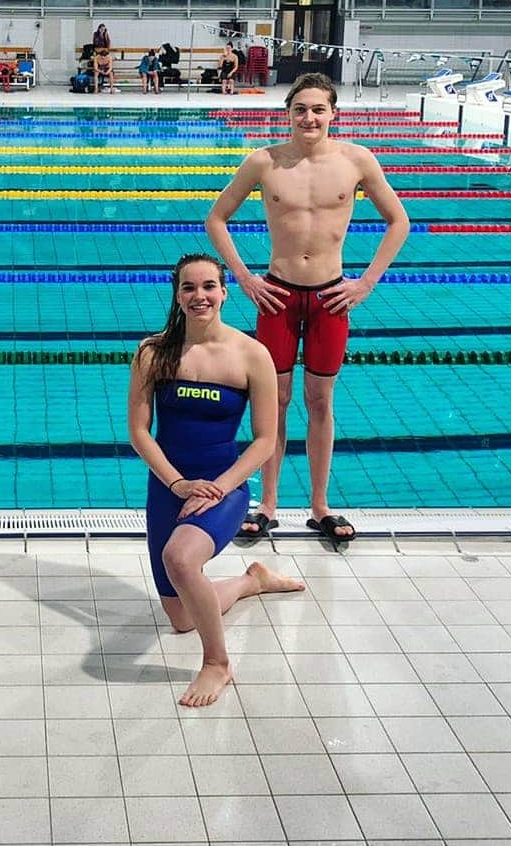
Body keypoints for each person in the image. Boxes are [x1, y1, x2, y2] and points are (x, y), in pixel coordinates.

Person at [205, 73, 410, 544]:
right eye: (300, 109)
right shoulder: (265, 162)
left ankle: (320, 505)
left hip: (330, 298)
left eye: (318, 109)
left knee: (320, 402)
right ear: (288, 114)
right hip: (277, 296)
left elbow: (399, 220)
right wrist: (244, 277)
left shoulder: (357, 161)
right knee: (274, 403)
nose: (309, 117)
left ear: (333, 113)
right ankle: (269, 504)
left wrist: (366, 283)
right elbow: (216, 218)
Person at [128, 253, 305, 707]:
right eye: (189, 287)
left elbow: (266, 440)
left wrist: (219, 488)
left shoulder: (251, 355)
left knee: (181, 560)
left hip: (222, 487)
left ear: (224, 292)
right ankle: (252, 581)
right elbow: (138, 432)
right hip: (169, 487)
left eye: (208, 286)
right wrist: (176, 485)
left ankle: (217, 664)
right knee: (181, 616)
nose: (199, 296)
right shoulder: (154, 352)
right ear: (177, 294)